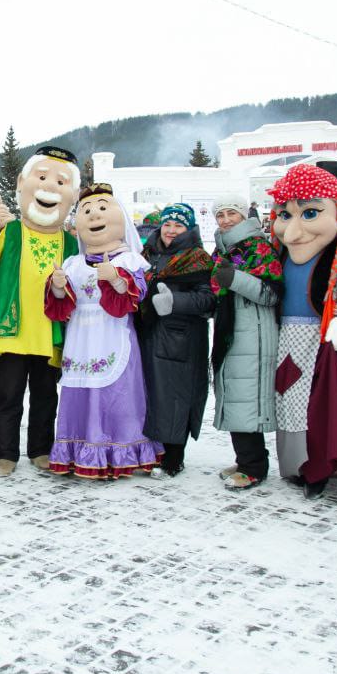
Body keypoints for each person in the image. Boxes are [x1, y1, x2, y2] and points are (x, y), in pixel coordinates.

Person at [0, 146, 80, 477]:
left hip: (50, 334)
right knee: (8, 397)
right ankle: (5, 454)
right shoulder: (12, 229)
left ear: (71, 195)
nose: (49, 187)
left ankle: (41, 450)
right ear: (22, 182)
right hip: (13, 333)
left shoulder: (71, 242)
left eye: (60, 182)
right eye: (42, 177)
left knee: (46, 398)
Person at [45, 184, 161, 478]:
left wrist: (118, 281)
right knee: (79, 393)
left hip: (113, 333)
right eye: (86, 211)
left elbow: (137, 297)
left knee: (117, 396)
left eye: (102, 208)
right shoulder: (72, 263)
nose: (93, 215)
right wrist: (58, 287)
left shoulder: (129, 260)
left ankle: (118, 450)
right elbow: (61, 307)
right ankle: (77, 448)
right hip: (80, 339)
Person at [269, 165, 337, 499]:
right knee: (287, 400)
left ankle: (321, 466)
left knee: (319, 405)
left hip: (321, 341)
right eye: (284, 215)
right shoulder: (277, 257)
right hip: (285, 339)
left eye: (310, 213)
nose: (293, 232)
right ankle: (295, 463)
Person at [136, 202, 215, 478]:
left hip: (181, 338)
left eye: (178, 225)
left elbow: (208, 299)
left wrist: (175, 301)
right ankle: (151, 450)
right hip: (147, 332)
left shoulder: (198, 258)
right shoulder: (148, 253)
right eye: (167, 224)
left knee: (176, 396)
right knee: (151, 395)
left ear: (189, 228)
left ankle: (173, 456)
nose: (171, 230)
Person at [209, 195, 282, 490]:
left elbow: (271, 293)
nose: (225, 220)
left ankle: (255, 467)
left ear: (244, 216)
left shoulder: (259, 247)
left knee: (247, 397)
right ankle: (245, 459)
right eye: (220, 215)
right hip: (231, 329)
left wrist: (234, 279)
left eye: (231, 213)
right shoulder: (222, 249)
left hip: (254, 331)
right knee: (234, 395)